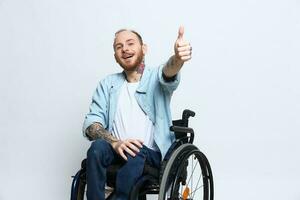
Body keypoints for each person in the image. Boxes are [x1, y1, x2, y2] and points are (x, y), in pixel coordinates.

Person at [82, 26, 192, 200]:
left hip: (150, 155)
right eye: (119, 47)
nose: (124, 49)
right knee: (97, 148)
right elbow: (92, 124)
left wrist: (178, 59)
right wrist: (115, 142)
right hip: (117, 152)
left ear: (144, 49)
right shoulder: (108, 84)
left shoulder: (155, 77)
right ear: (115, 56)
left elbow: (169, 71)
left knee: (136, 149)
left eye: (130, 43)